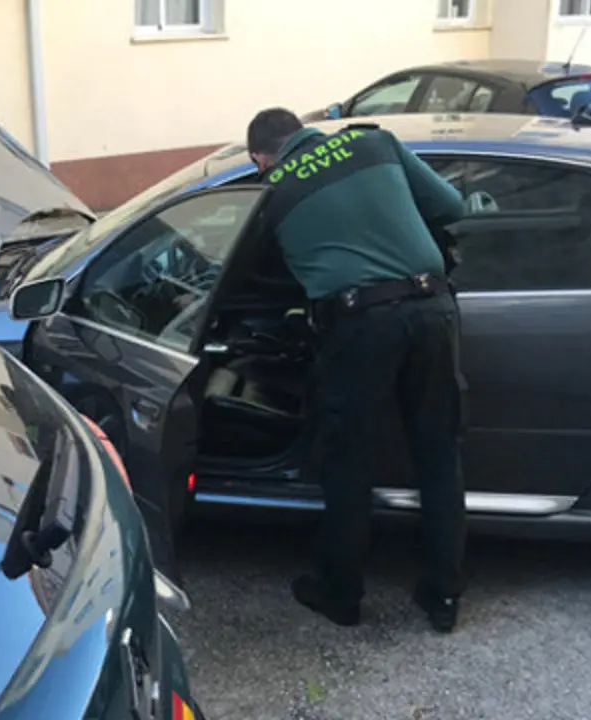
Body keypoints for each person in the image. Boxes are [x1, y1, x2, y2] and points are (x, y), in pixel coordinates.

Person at [244, 108, 468, 632]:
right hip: (433, 308)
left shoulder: (272, 192)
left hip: (359, 323)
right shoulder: (375, 143)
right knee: (439, 453)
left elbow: (257, 271)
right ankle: (444, 597)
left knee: (349, 461)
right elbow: (452, 206)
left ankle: (340, 594)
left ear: (260, 156)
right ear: (303, 129)